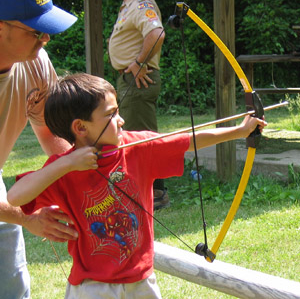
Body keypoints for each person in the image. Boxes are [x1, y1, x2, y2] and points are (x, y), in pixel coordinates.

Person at [7, 73, 267, 299]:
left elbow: (189, 139)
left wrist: (239, 131)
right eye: (111, 114)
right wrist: (65, 164)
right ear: (80, 127)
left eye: (117, 110)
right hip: (92, 287)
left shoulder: (137, 147)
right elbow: (16, 196)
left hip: (141, 280)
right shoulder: (64, 169)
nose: (120, 120)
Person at [0, 0, 78, 298]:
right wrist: (27, 217)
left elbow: (48, 128)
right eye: (36, 31)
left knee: (12, 288)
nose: (46, 38)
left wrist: (75, 175)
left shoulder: (36, 61)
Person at [108, 0, 168, 210]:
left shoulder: (141, 3)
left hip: (139, 78)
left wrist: (139, 61)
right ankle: (145, 191)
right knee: (135, 137)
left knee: (141, 137)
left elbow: (157, 34)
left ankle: (155, 193)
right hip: (131, 79)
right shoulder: (129, 5)